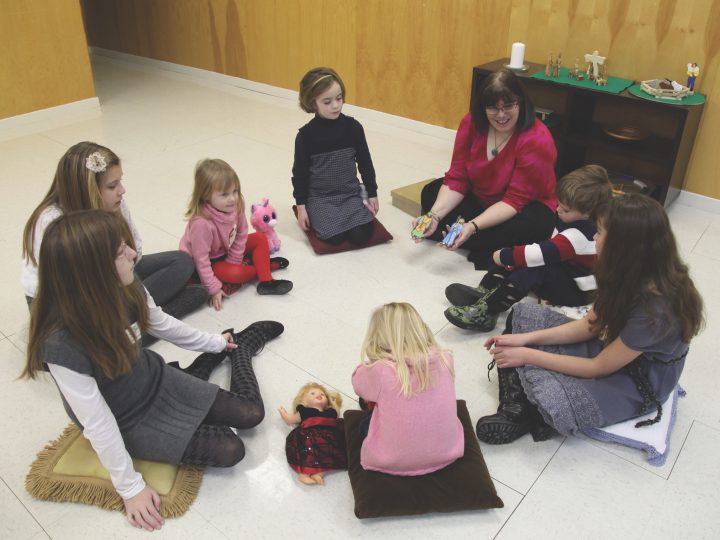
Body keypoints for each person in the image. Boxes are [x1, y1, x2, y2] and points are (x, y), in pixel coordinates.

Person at [22, 209, 284, 531]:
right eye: (121, 252)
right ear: (92, 272)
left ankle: (239, 349)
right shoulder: (61, 343)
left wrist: (215, 343)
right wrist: (130, 488)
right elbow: (98, 421)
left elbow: (162, 324)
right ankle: (203, 369)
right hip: (127, 418)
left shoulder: (127, 284)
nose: (134, 254)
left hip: (154, 378)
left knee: (251, 414)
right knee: (232, 449)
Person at [475, 194, 704, 445]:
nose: (594, 238)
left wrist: (527, 355)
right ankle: (519, 405)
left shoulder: (657, 310)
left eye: (600, 232)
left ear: (622, 246)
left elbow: (599, 367)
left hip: (636, 378)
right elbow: (589, 325)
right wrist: (523, 340)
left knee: (559, 402)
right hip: (613, 346)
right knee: (523, 317)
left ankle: (522, 411)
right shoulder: (623, 271)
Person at [21, 142, 206, 319]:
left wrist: (125, 274)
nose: (122, 190)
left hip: (109, 279)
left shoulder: (115, 203)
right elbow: (71, 290)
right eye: (112, 186)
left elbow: (135, 253)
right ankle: (140, 325)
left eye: (120, 181)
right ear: (87, 190)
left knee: (182, 262)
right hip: (67, 302)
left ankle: (136, 320)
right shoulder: (51, 222)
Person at [413, 69, 558, 269]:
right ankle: (474, 239)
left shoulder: (537, 139)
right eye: (493, 108)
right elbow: (458, 178)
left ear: (520, 102)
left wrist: (472, 226)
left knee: (532, 227)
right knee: (430, 193)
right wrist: (434, 215)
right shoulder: (471, 122)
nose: (501, 115)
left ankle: (466, 235)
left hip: (522, 208)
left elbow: (514, 201)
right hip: (483, 198)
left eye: (508, 106)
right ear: (483, 108)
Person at [445, 165, 612, 332]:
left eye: (565, 209)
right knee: (519, 256)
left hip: (575, 290)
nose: (558, 210)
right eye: (558, 203)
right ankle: (486, 292)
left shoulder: (580, 234)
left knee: (528, 266)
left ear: (589, 213)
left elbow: (541, 254)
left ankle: (488, 311)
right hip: (564, 270)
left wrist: (504, 256)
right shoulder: (572, 218)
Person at [351, 303, 464, 475]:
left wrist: (370, 363)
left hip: (392, 460)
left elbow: (357, 385)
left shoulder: (381, 370)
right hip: (448, 453)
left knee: (364, 423)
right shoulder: (445, 358)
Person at [180, 158, 292, 310]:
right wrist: (213, 288)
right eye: (224, 194)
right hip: (208, 261)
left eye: (235, 191)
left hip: (226, 249)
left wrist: (235, 257)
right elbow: (201, 259)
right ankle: (265, 266)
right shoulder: (201, 223)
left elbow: (241, 233)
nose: (232, 198)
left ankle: (266, 281)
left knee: (259, 237)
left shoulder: (237, 204)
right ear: (205, 196)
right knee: (235, 274)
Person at [291, 67, 379, 246]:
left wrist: (372, 193)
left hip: (348, 193)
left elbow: (365, 162)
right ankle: (318, 211)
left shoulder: (353, 128)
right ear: (312, 103)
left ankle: (359, 196)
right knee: (333, 237)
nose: (336, 105)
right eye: (327, 101)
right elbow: (299, 175)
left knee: (360, 236)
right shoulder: (305, 136)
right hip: (320, 197)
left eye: (339, 98)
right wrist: (301, 207)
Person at [279, 382, 347, 486]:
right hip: (309, 436)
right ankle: (304, 474)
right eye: (313, 393)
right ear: (303, 401)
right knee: (307, 452)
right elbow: (290, 420)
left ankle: (320, 474)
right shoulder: (304, 411)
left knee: (330, 455)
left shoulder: (331, 412)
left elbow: (336, 413)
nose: (319, 395)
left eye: (322, 394)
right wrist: (283, 413)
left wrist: (333, 403)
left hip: (329, 439)